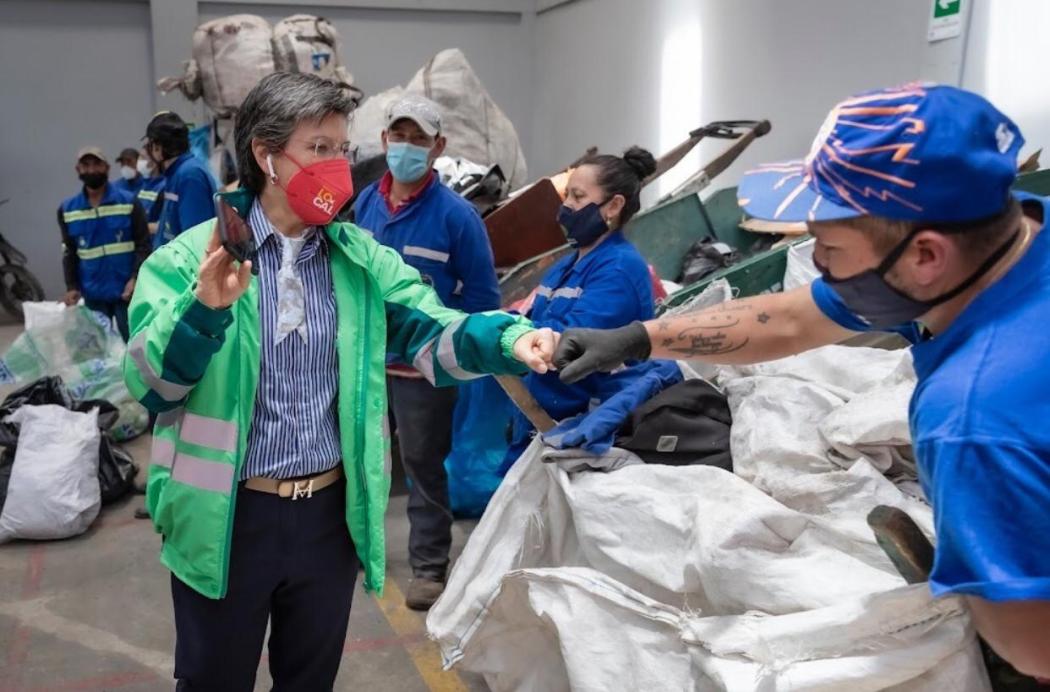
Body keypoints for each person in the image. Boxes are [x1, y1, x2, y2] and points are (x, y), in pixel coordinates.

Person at [552, 84, 1050, 680]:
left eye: (831, 249)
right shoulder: (1006, 235)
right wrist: (640, 338)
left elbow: (1032, 645)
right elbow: (791, 321)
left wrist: (984, 585)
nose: (817, 265)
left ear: (925, 257)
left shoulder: (972, 417)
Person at [123, 72, 556, 691]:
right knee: (213, 679)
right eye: (318, 149)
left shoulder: (358, 259)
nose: (336, 166)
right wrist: (203, 312)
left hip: (328, 519)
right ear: (266, 156)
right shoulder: (191, 260)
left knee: (310, 680)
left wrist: (509, 338)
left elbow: (430, 330)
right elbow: (151, 387)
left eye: (341, 149)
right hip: (226, 516)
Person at [352, 94, 502, 610]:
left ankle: (429, 564)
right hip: (364, 362)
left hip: (420, 369)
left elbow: (482, 299)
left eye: (420, 139)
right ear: (383, 141)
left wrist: (439, 343)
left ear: (438, 147)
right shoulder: (365, 203)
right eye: (399, 136)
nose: (407, 147)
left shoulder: (458, 218)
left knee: (421, 464)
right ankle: (357, 551)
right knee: (359, 458)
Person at [506, 146, 658, 462]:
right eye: (567, 197)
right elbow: (532, 320)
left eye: (577, 197)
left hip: (582, 431)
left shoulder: (619, 268)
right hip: (541, 421)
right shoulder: (565, 265)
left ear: (613, 206)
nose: (566, 207)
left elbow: (568, 343)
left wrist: (505, 334)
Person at [58, 146, 150, 340]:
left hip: (127, 293)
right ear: (78, 170)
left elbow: (143, 245)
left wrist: (135, 278)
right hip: (93, 296)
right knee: (98, 357)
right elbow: (70, 252)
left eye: (96, 164)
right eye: (86, 165)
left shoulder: (128, 202)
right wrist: (72, 286)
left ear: (107, 168)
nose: (91, 170)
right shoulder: (68, 209)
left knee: (136, 350)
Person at [144, 111, 217, 250]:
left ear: (158, 147)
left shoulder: (189, 176)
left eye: (150, 144)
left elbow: (195, 241)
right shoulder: (176, 174)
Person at [134, 146, 167, 224]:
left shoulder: (163, 187)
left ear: (154, 163)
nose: (139, 161)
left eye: (143, 158)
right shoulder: (142, 183)